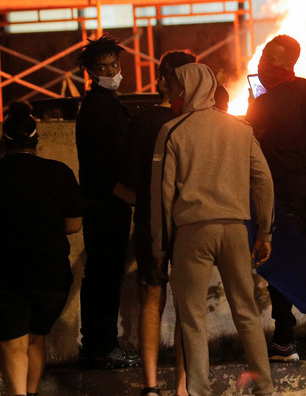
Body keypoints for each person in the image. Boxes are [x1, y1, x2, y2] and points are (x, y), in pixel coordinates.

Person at [151, 62, 275, 396]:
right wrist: (265, 231)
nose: (173, 93)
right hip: (235, 228)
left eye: (177, 87)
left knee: (192, 320)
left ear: (189, 88)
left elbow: (162, 197)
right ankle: (264, 387)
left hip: (193, 231)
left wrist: (160, 249)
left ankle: (200, 391)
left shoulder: (173, 131)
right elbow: (263, 181)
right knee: (247, 313)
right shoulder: (240, 129)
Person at [0, 100, 83, 396]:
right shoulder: (60, 173)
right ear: (37, 139)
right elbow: (73, 225)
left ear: (3, 140)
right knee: (37, 338)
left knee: (12, 344)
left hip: (3, 272)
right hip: (50, 272)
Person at [245, 34, 306, 361]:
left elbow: (249, 143)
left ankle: (284, 338)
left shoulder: (263, 102)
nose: (264, 61)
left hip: (278, 192)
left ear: (288, 63)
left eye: (271, 57)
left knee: (279, 261)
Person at [116, 51, 194, 396]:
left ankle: (150, 385)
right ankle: (182, 385)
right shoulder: (201, 121)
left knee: (151, 297)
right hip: (191, 220)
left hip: (151, 218)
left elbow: (130, 178)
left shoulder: (142, 121)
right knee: (186, 305)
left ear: (162, 81)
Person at [75, 33, 140, 368]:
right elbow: (103, 168)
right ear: (91, 72)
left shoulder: (109, 104)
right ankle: (104, 347)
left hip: (105, 206)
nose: (111, 70)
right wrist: (131, 199)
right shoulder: (99, 109)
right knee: (105, 277)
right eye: (103, 67)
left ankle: (94, 346)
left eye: (114, 64)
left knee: (99, 277)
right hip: (104, 208)